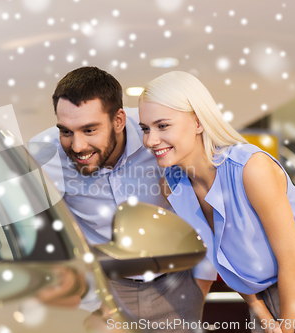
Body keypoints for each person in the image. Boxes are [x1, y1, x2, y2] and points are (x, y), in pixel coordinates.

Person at [29, 67, 216, 330]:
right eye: (66, 131)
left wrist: (201, 282)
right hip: (103, 289)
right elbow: (43, 232)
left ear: (118, 120)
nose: (78, 146)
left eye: (90, 130)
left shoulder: (156, 135)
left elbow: (202, 204)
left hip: (177, 284)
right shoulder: (44, 154)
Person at [138, 70, 295, 333]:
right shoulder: (172, 185)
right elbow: (227, 261)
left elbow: (293, 261)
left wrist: (286, 327)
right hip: (264, 297)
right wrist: (264, 315)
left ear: (198, 122)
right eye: (145, 128)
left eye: (162, 126)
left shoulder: (251, 168)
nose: (151, 140)